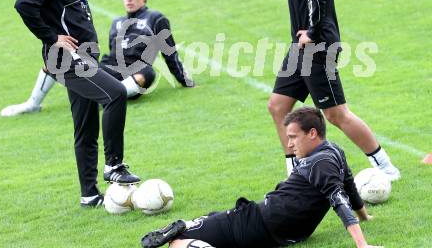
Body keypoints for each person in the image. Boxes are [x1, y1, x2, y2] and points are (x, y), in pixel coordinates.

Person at [264, 0, 400, 180]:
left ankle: (385, 167)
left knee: (336, 114)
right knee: (277, 106)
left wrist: (311, 33)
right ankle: (297, 172)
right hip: (302, 47)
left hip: (316, 46)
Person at [14, 0, 140, 207]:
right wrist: (51, 36)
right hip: (67, 60)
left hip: (82, 57)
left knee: (85, 127)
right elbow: (24, 4)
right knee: (116, 94)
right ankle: (114, 166)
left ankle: (89, 194)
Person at [140, 107, 383, 248]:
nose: (289, 143)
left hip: (260, 221)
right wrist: (365, 216)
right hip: (278, 227)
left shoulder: (319, 162)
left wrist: (362, 245)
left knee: (178, 242)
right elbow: (348, 184)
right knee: (207, 222)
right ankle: (193, 224)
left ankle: (190, 228)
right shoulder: (333, 151)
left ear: (312, 133)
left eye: (293, 137)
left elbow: (338, 198)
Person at [2, 0, 193, 116]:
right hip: (111, 69)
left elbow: (170, 52)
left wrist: (185, 81)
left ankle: (109, 98)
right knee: (56, 57)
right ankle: (32, 104)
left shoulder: (156, 18)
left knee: (148, 73)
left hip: (137, 70)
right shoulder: (116, 22)